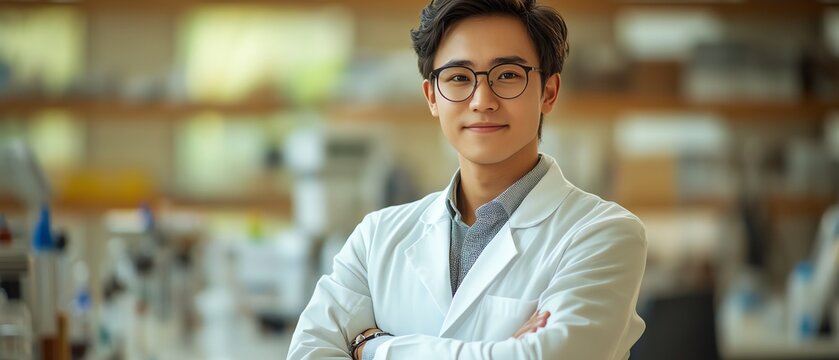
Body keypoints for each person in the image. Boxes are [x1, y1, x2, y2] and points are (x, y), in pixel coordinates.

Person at [287, 0, 647, 358]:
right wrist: (502, 350)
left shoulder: (603, 233)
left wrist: (372, 348)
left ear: (548, 93)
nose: (482, 100)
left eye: (508, 75)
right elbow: (308, 352)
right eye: (459, 77)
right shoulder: (376, 237)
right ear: (432, 97)